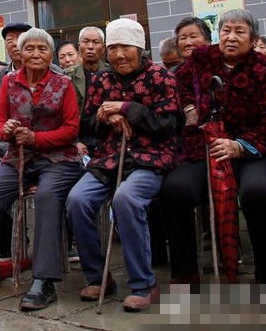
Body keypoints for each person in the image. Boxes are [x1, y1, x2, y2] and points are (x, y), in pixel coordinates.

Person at [159, 9, 266, 284]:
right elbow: (181, 80)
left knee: (259, 192)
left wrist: (240, 146)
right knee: (175, 190)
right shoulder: (203, 57)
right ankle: (186, 276)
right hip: (205, 144)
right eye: (226, 30)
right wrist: (190, 106)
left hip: (253, 149)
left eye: (239, 31)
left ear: (253, 38)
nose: (230, 37)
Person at [65, 18, 181, 312]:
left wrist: (129, 109)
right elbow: (88, 125)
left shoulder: (161, 77)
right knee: (77, 200)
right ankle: (98, 277)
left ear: (139, 48)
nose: (118, 55)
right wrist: (107, 116)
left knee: (126, 199)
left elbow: (167, 125)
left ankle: (143, 284)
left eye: (125, 47)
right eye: (113, 48)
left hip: (150, 157)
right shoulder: (102, 80)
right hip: (109, 157)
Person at [0, 28, 81, 312]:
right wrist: (8, 129)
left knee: (47, 197)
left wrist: (37, 138)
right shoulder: (9, 81)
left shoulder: (64, 84)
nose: (36, 54)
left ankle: (44, 279)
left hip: (58, 158)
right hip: (18, 157)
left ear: (51, 55)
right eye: (30, 49)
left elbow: (72, 129)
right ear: (20, 54)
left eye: (42, 49)